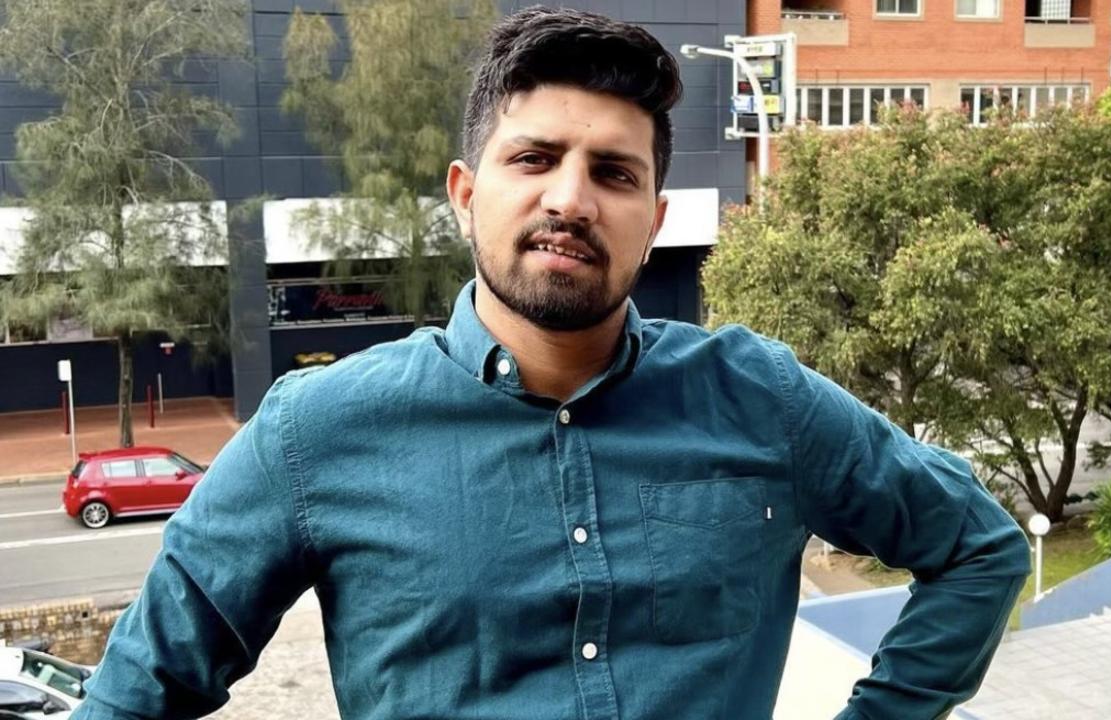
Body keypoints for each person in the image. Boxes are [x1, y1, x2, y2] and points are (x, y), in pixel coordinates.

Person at [73, 6, 1029, 719]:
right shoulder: (312, 433)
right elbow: (135, 692)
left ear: (653, 224)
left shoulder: (758, 398)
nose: (571, 199)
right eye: (534, 158)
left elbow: (979, 549)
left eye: (615, 173)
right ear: (464, 192)